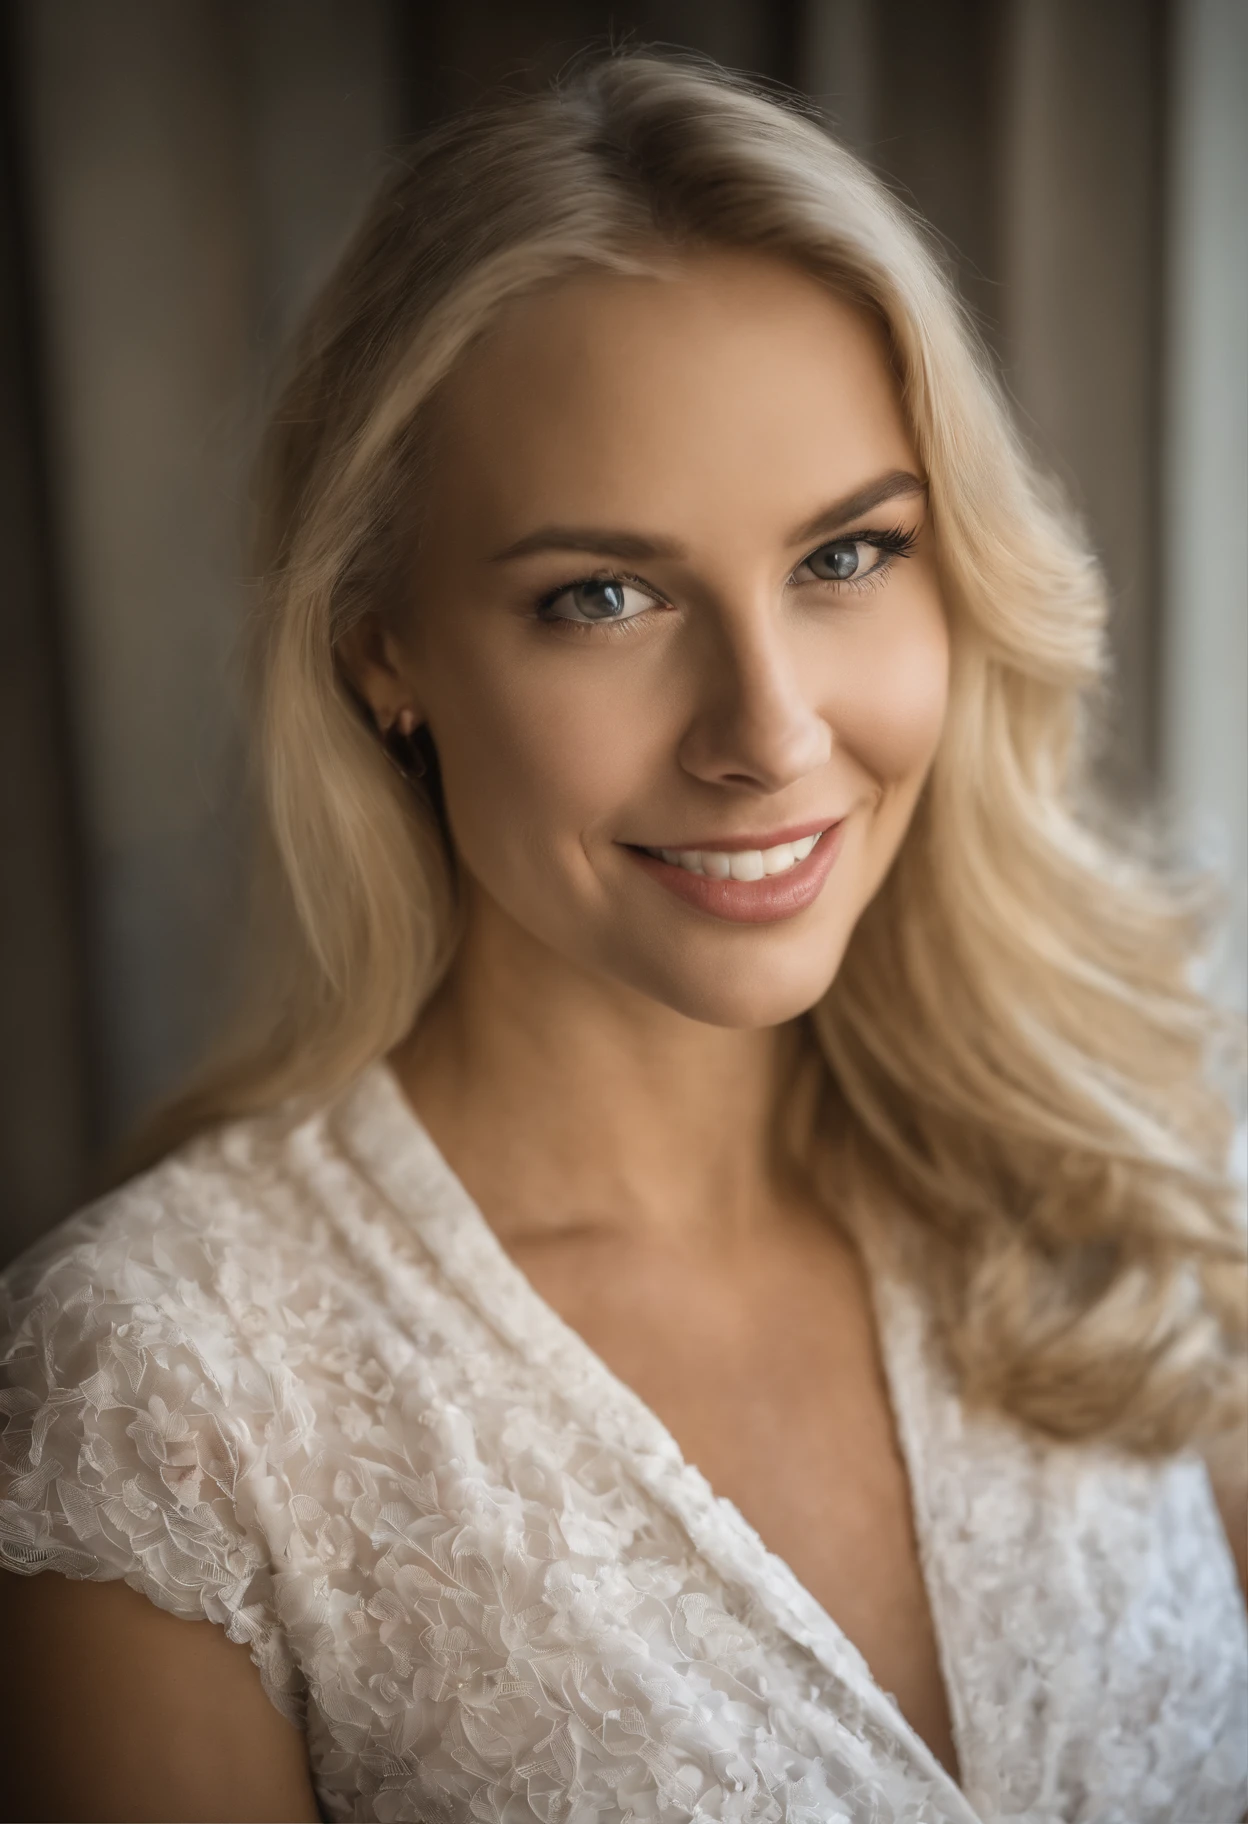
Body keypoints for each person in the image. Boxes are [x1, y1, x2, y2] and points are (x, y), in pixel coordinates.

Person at [0, 51, 1244, 1824]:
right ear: (384, 650)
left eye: (847, 557)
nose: (769, 733)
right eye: (605, 597)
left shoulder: (1124, 1156)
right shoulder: (168, 1401)